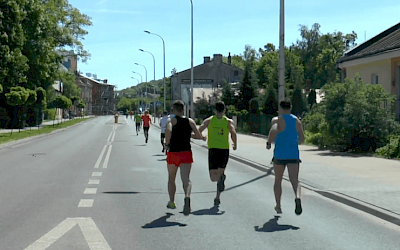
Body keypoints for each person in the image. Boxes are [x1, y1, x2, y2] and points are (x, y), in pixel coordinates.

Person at [165, 100, 206, 215]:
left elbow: (168, 130)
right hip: (186, 153)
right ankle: (187, 197)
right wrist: (200, 137)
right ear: (183, 109)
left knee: (171, 178)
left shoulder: (171, 120)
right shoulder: (190, 121)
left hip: (173, 153)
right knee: (186, 179)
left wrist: (167, 144)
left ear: (173, 109)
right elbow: (197, 135)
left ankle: (172, 201)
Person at [266, 98, 305, 215]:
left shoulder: (277, 120)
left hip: (280, 154)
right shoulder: (297, 121)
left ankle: (278, 205)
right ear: (291, 107)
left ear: (280, 108)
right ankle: (297, 197)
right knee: (295, 180)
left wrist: (269, 142)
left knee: (278, 180)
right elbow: (302, 139)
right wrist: (294, 142)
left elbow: (273, 130)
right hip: (293, 154)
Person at [199, 101, 237, 206]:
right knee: (213, 177)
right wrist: (200, 136)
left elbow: (233, 132)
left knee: (218, 175)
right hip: (213, 149)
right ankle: (222, 177)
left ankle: (217, 197)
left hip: (223, 149)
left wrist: (235, 143)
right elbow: (199, 130)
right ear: (223, 110)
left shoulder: (228, 122)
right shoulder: (210, 121)